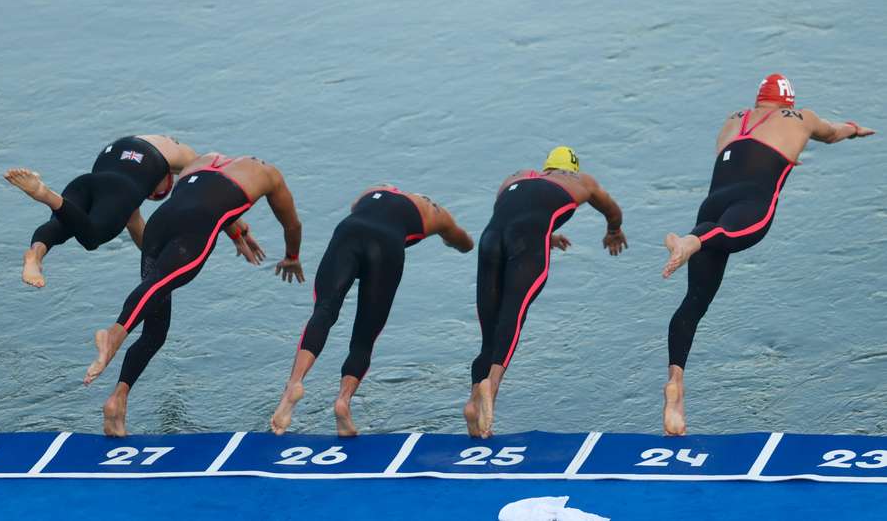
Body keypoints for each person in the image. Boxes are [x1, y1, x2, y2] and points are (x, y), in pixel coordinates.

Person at [661, 74, 875, 435]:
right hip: (748, 205)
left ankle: (675, 384)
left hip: (710, 206)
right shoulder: (802, 117)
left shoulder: (732, 119)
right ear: (788, 102)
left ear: (759, 99)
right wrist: (854, 128)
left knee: (694, 302)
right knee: (731, 234)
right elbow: (832, 132)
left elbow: (746, 156)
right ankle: (689, 242)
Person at [83, 152, 305, 436]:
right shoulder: (270, 174)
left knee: (155, 330)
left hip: (159, 224)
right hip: (194, 228)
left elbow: (201, 199)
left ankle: (117, 402)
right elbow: (292, 225)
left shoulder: (203, 160)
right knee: (160, 285)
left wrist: (237, 234)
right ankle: (114, 334)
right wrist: (292, 256)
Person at [270, 185, 473, 436]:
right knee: (365, 337)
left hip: (349, 232)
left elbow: (358, 211)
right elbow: (466, 244)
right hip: (388, 244)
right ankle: (343, 401)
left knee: (324, 311)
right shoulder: (436, 212)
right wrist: (447, 238)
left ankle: (294, 383)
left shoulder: (372, 191)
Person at [465, 147, 627, 438]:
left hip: (489, 241)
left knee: (489, 335)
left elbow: (511, 217)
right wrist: (614, 231)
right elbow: (612, 211)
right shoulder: (583, 182)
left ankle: (474, 400)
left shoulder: (514, 177)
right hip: (527, 242)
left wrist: (545, 233)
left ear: (547, 167)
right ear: (572, 170)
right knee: (513, 314)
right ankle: (492, 386)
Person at [4, 135, 198, 288]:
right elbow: (206, 187)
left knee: (60, 224)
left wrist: (156, 258)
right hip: (120, 189)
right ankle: (45, 194)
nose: (150, 195)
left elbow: (137, 227)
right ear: (167, 176)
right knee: (92, 238)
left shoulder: (132, 144)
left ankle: (34, 256)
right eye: (158, 193)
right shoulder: (186, 156)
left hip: (85, 183)